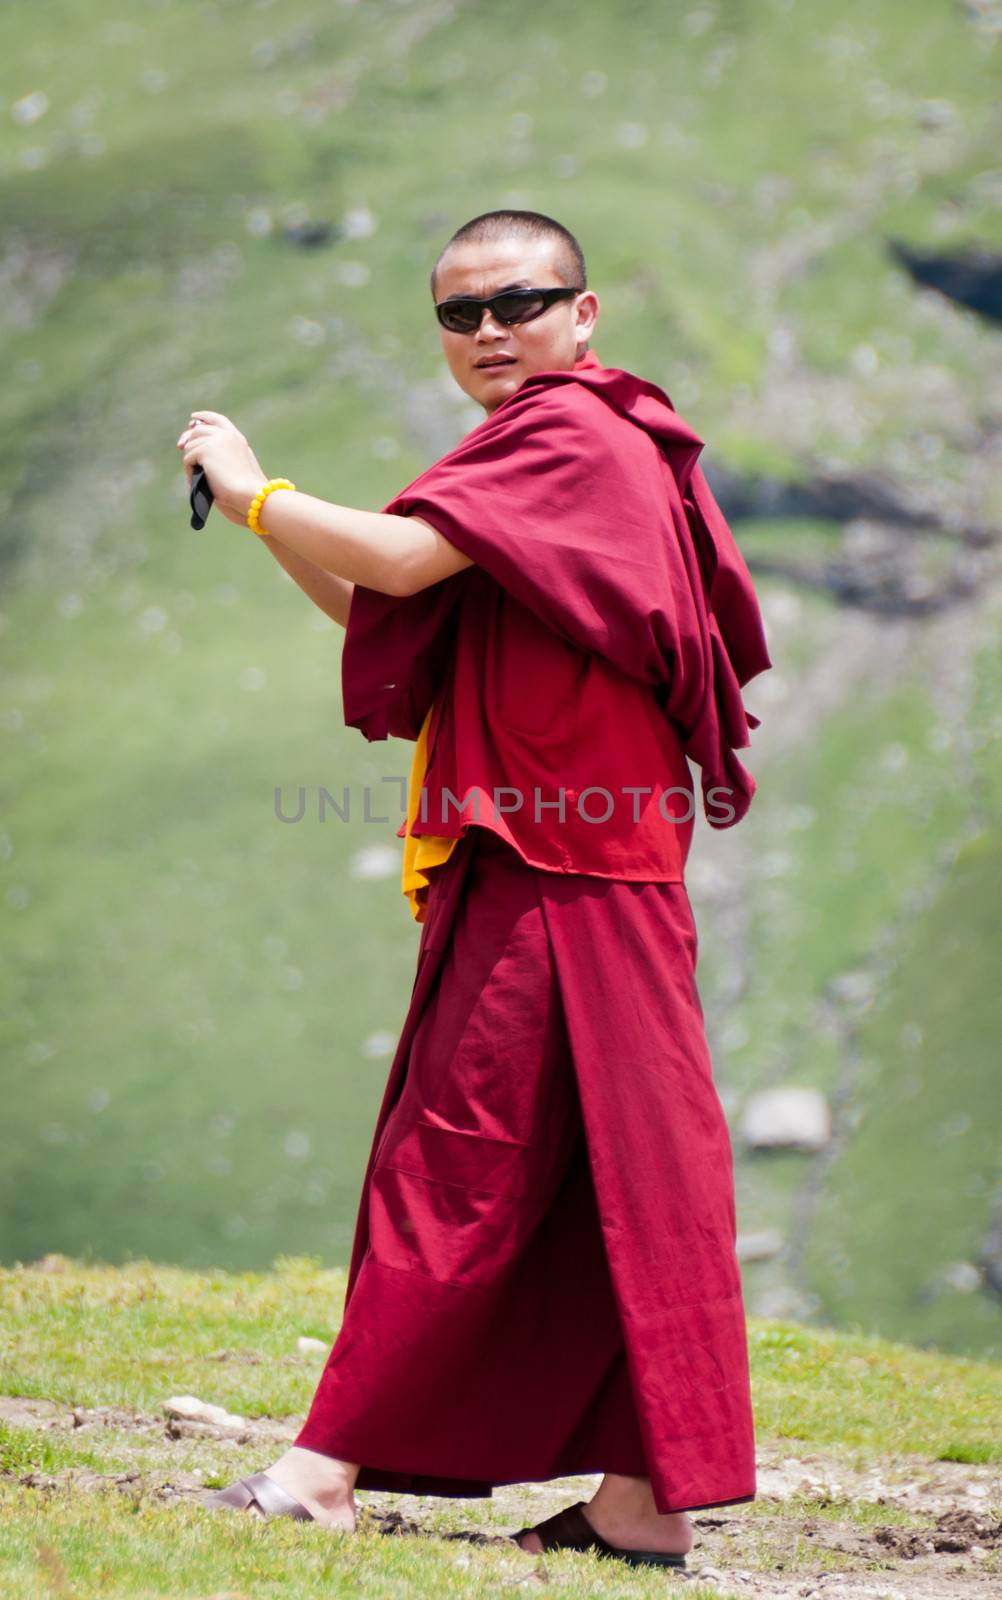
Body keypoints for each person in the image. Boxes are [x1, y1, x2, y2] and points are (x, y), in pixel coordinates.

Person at [178, 208, 772, 1566]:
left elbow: (390, 560)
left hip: (562, 866)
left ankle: (319, 1475)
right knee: (602, 1172)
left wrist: (252, 478)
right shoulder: (555, 449)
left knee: (454, 1158)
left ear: (585, 311)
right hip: (575, 863)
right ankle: (640, 1505)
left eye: (520, 302)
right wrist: (264, 518)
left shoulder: (569, 434)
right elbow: (389, 606)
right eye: (460, 314)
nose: (490, 333)